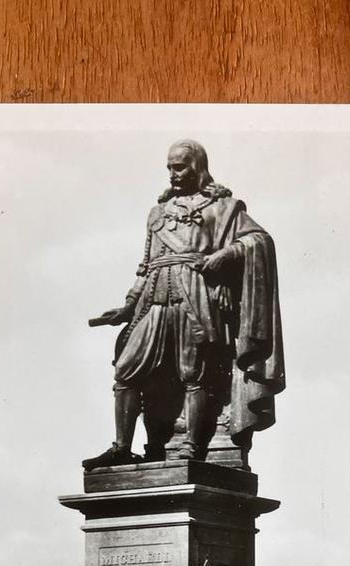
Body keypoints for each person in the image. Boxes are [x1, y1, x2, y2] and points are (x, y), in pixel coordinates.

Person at [83, 139, 285, 468]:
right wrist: (128, 306)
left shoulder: (222, 207)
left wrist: (225, 254)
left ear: (198, 167)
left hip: (198, 295)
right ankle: (121, 446)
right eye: (170, 168)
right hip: (155, 300)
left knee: (195, 374)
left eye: (180, 167)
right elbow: (145, 266)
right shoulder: (157, 213)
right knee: (126, 369)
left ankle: (193, 447)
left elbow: (258, 240)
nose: (173, 174)